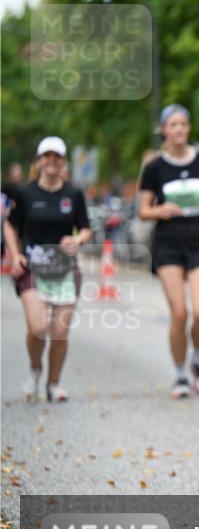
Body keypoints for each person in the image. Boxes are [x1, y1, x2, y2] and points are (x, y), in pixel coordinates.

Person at [139, 104, 199, 399]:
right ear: (163, 130)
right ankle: (179, 374)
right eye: (172, 125)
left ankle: (197, 361)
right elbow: (142, 210)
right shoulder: (154, 167)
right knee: (179, 313)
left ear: (188, 128)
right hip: (168, 243)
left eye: (182, 124)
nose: (178, 129)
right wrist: (160, 209)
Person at [3, 137, 92, 402]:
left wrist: (77, 240)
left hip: (65, 268)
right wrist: (15, 253)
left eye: (57, 156)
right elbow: (10, 225)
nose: (51, 161)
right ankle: (35, 369)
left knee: (60, 332)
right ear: (39, 161)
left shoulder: (73, 194)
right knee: (38, 327)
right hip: (32, 267)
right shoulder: (25, 193)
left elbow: (86, 228)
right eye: (47, 156)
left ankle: (54, 384)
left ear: (63, 161)